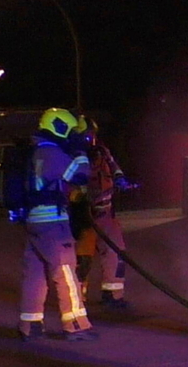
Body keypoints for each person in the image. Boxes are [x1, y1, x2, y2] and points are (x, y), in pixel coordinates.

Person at [17, 108, 98, 342]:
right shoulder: (51, 153)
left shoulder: (34, 151)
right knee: (65, 272)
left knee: (35, 274)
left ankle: (30, 325)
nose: (71, 134)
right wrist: (80, 148)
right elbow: (81, 174)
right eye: (69, 130)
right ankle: (76, 325)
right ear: (59, 127)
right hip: (53, 222)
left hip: (34, 220)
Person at [70, 116, 133, 310]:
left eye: (91, 134)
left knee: (116, 253)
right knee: (83, 259)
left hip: (105, 213)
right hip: (84, 216)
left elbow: (115, 170)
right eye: (87, 135)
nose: (90, 138)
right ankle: (76, 301)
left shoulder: (102, 151)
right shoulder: (72, 155)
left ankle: (112, 295)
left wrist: (122, 182)